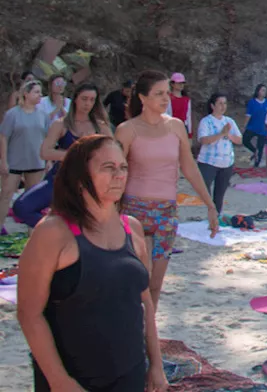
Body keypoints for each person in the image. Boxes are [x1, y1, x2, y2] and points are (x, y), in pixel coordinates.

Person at [17, 135, 166, 392]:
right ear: (79, 177)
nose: (119, 175)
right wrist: (59, 381)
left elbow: (145, 304)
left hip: (129, 372)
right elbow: (29, 314)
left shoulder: (133, 228)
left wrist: (156, 364)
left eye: (123, 167)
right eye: (108, 168)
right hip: (73, 379)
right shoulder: (53, 232)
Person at [116, 69, 219, 308]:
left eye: (167, 93)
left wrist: (210, 204)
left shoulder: (175, 127)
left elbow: (189, 168)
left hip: (166, 212)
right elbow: (116, 173)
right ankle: (129, 330)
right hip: (133, 211)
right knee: (135, 278)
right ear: (142, 97)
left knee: (155, 282)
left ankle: (148, 334)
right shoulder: (127, 129)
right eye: (159, 93)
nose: (166, 98)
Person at [12, 83, 111, 228]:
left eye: (92, 100)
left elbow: (113, 153)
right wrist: (73, 154)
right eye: (84, 99)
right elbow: (45, 152)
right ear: (75, 99)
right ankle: (57, 230)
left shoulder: (100, 126)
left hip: (89, 179)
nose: (88, 103)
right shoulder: (61, 124)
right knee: (21, 207)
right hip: (61, 177)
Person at [1, 79, 52, 231]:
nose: (39, 95)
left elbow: (47, 138)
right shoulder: (12, 114)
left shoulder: (43, 115)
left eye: (40, 92)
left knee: (32, 198)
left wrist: (48, 160)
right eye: (36, 92)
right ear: (26, 94)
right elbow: (3, 137)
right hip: (14, 161)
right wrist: (3, 160)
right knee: (6, 194)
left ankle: (33, 231)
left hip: (36, 161)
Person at [196, 93, 243, 215]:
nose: (223, 106)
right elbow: (203, 140)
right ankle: (210, 212)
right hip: (208, 162)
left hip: (226, 162)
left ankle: (216, 217)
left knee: (220, 193)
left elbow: (239, 140)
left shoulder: (229, 121)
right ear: (212, 105)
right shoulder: (206, 121)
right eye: (220, 103)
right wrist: (221, 134)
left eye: (225, 103)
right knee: (205, 191)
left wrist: (228, 135)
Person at [244, 84, 267, 167]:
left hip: (263, 128)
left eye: (265, 90)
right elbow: (248, 114)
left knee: (261, 147)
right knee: (245, 140)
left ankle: (256, 164)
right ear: (258, 91)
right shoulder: (252, 102)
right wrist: (244, 125)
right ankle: (254, 150)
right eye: (262, 90)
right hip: (252, 126)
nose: (264, 92)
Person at [166, 73, 193, 142]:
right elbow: (166, 114)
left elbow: (188, 117)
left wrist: (190, 134)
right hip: (171, 127)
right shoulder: (168, 98)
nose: (181, 85)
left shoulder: (187, 100)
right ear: (172, 84)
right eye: (178, 83)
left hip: (183, 128)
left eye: (182, 83)